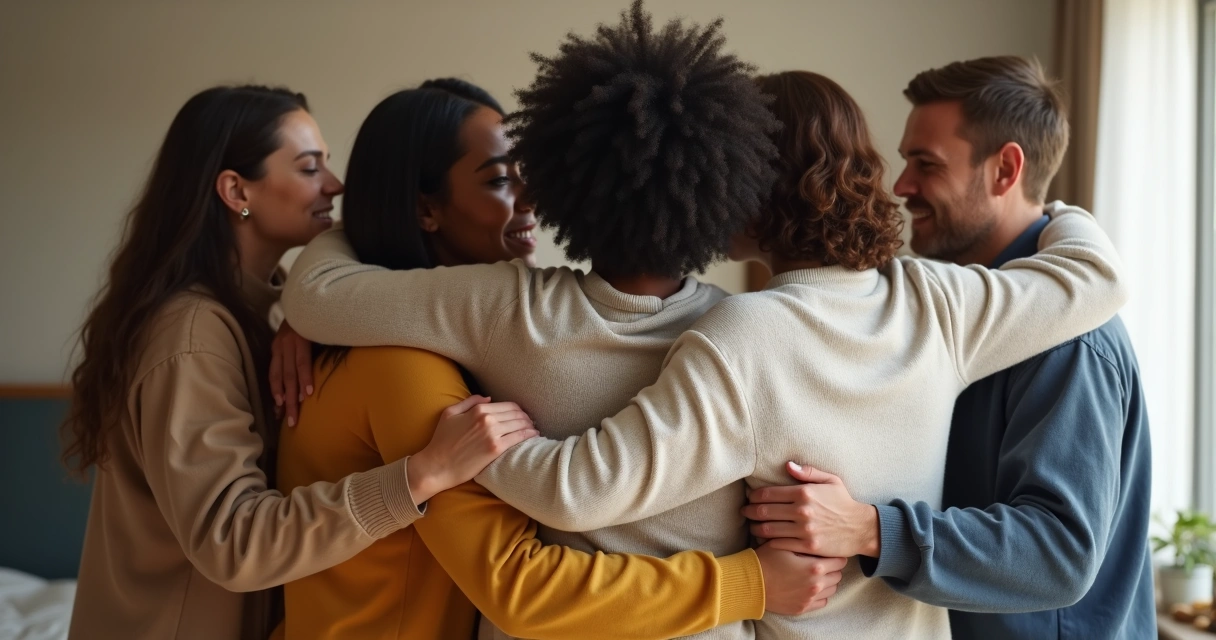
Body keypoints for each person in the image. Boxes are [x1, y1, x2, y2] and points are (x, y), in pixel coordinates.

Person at [454, 68, 1126, 640]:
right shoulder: (938, 300)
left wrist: (474, 446)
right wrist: (1053, 204)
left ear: (753, 185)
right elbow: (1099, 276)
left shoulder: (743, 333)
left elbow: (582, 490)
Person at [279, 5, 845, 638]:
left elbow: (319, 297)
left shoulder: (504, 306)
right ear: (730, 191)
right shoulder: (750, 329)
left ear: (559, 187)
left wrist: (340, 233)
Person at [62, 85, 533, 640]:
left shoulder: (271, 310)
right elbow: (232, 539)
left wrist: (305, 317)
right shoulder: (189, 336)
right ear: (237, 190)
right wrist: (418, 477)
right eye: (310, 168)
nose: (333, 185)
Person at [744, 57, 1156, 639]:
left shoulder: (1071, 339)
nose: (902, 185)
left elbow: (1059, 551)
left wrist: (869, 530)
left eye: (926, 164)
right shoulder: (947, 308)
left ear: (1005, 170)